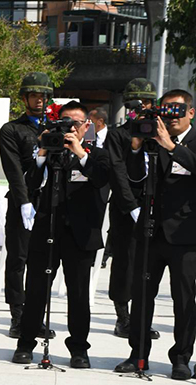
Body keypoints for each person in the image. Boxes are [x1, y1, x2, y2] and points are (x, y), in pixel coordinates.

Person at [12, 101, 111, 368]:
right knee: (35, 290)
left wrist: (79, 152)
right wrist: (43, 151)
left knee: (78, 295)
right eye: (64, 122)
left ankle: (79, 349)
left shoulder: (97, 153)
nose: (70, 128)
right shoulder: (49, 153)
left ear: (86, 126)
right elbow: (30, 184)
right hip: (47, 229)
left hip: (80, 235)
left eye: (76, 123)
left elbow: (101, 180)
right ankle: (26, 343)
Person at [114, 89, 196, 380]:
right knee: (142, 294)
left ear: (190, 112)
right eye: (167, 109)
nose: (171, 115)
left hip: (186, 236)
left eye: (178, 109)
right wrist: (136, 146)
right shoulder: (154, 138)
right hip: (151, 231)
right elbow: (135, 177)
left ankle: (182, 358)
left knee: (184, 299)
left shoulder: (183, 141)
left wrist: (171, 146)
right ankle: (137, 354)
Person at [0, 72, 56, 339]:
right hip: (23, 202)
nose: (39, 100)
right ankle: (18, 315)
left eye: (43, 96)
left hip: (49, 203)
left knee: (42, 262)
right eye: (34, 95)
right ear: (24, 98)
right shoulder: (12, 130)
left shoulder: (56, 129)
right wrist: (23, 201)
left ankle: (36, 315)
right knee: (18, 259)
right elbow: (13, 170)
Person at [105, 79, 161, 340]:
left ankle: (141, 318)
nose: (143, 108)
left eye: (147, 102)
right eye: (137, 103)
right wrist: (130, 206)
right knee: (125, 262)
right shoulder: (119, 135)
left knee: (149, 264)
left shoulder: (162, 133)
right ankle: (122, 317)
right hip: (126, 207)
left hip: (156, 205)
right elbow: (117, 171)